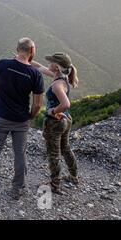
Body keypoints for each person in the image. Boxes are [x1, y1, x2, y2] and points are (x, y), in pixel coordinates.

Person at [0, 38, 45, 201]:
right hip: (20, 120)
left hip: (0, 117)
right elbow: (37, 104)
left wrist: (0, 75)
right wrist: (29, 117)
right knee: (20, 153)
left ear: (17, 49)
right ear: (32, 52)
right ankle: (18, 189)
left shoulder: (2, 64)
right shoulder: (35, 74)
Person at [31, 53, 79, 194]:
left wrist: (53, 111)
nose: (49, 64)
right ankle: (73, 176)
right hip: (66, 119)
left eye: (51, 62)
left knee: (53, 154)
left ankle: (54, 185)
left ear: (56, 67)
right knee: (66, 149)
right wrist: (26, 60)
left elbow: (66, 103)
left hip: (55, 123)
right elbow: (39, 67)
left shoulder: (57, 84)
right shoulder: (62, 77)